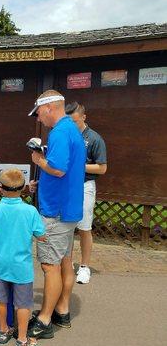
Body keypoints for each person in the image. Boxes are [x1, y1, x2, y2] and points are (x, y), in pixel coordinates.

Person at [26, 90, 86, 338]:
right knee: (64, 261)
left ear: (49, 107)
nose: (39, 118)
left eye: (39, 113)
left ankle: (44, 319)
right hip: (69, 209)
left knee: (49, 266)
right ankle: (61, 311)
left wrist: (39, 161)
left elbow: (59, 170)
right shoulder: (73, 129)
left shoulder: (60, 132)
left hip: (56, 212)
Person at [0, 168, 46, 346]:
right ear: (24, 188)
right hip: (22, 268)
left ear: (0, 188)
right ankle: (22, 340)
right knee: (24, 304)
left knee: (1, 300)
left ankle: (3, 330)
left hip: (1, 264)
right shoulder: (30, 211)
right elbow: (41, 236)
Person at [66, 102, 107, 284]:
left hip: (85, 185)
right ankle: (67, 263)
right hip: (66, 185)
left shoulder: (95, 138)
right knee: (66, 226)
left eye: (74, 121)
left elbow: (102, 168)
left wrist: (78, 167)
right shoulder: (66, 135)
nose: (72, 125)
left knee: (84, 227)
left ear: (83, 117)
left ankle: (84, 267)